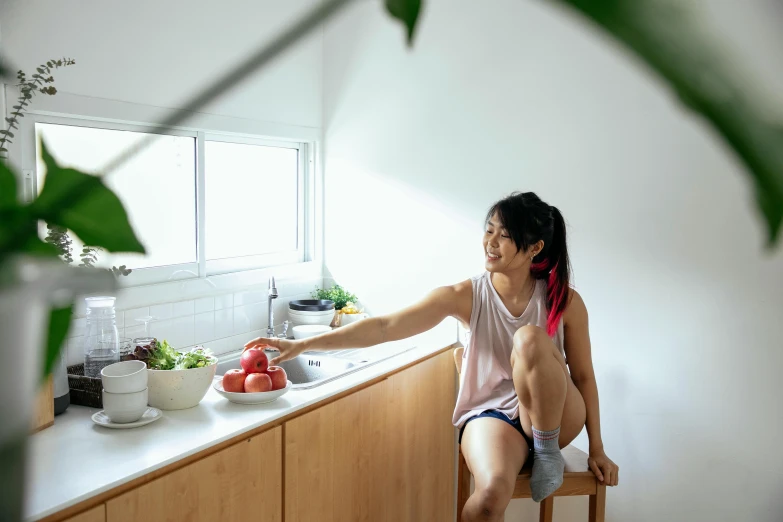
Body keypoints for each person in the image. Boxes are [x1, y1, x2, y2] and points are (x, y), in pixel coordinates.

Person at [245, 191, 619, 521]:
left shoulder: (563, 300)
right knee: (488, 500)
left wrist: (597, 449)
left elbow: (583, 376)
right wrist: (304, 344)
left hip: (555, 413)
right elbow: (385, 326)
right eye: (489, 230)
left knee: (531, 340)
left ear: (535, 247)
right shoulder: (464, 295)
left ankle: (547, 450)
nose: (491, 242)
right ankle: (535, 453)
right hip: (495, 416)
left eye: (505, 236)